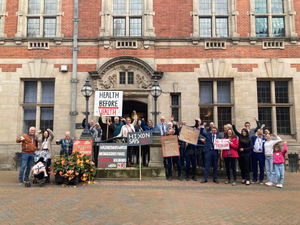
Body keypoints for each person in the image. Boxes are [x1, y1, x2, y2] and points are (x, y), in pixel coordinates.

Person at [232, 121, 253, 185]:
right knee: (242, 167)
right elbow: (235, 131)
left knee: (246, 167)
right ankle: (243, 178)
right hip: (240, 154)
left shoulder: (249, 139)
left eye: (244, 132)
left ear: (246, 132)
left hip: (246, 154)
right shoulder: (240, 136)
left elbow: (251, 147)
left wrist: (244, 149)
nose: (243, 133)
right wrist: (233, 125)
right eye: (242, 132)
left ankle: (248, 179)